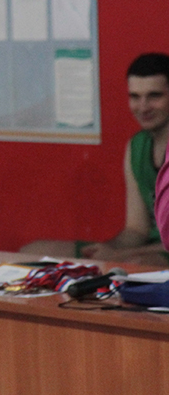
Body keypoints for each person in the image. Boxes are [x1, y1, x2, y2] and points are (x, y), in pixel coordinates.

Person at [23, 53, 169, 266]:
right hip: (143, 249)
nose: (143, 107)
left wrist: (119, 256)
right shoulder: (136, 146)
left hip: (155, 254)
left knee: (135, 263)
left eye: (154, 96)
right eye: (135, 97)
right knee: (33, 252)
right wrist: (105, 250)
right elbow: (136, 229)